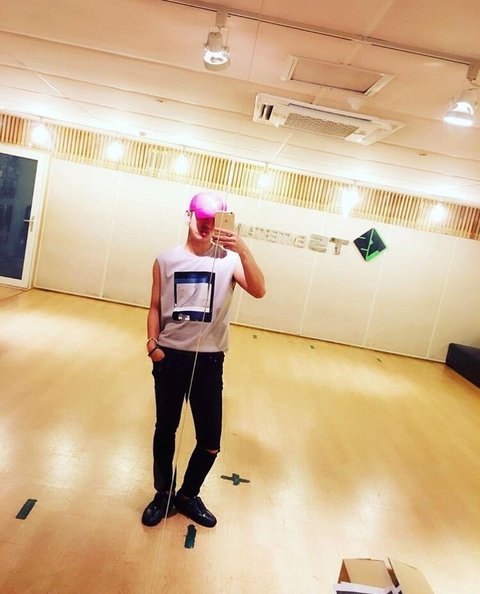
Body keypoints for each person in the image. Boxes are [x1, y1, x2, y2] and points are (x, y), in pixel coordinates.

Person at [142, 191, 265, 528]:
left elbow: (259, 290)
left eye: (214, 221)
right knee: (165, 430)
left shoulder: (230, 260)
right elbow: (155, 305)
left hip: (210, 362)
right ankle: (163, 494)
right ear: (189, 215)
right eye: (203, 220)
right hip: (170, 357)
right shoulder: (165, 260)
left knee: (210, 442)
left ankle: (188, 495)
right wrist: (153, 346)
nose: (208, 227)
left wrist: (243, 249)